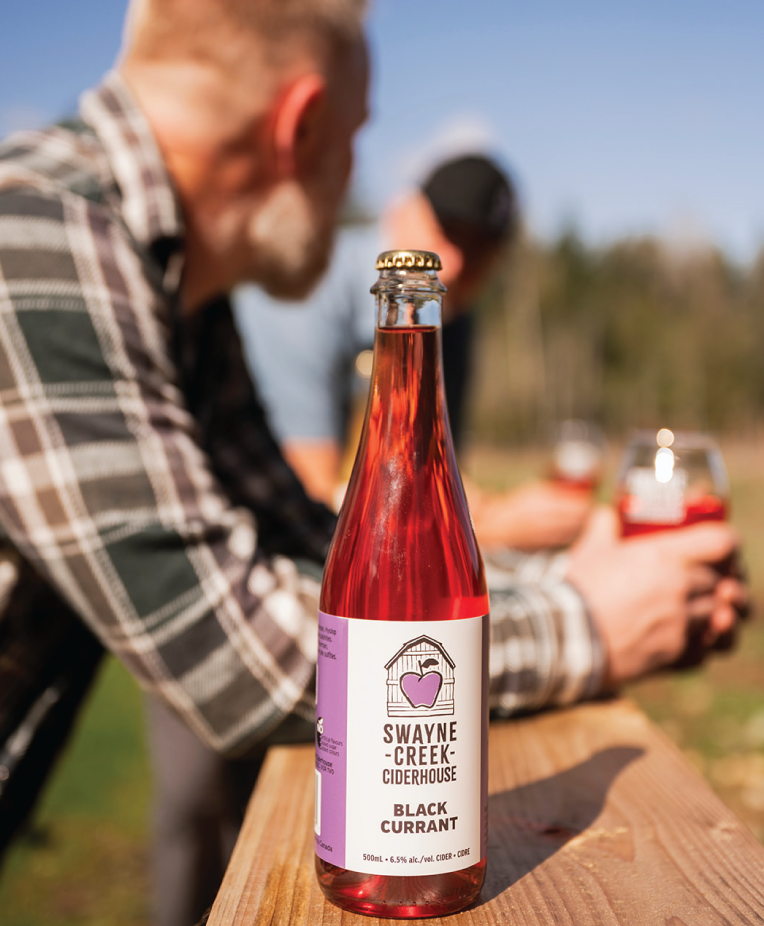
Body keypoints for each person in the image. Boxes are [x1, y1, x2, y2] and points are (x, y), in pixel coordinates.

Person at [0, 1, 746, 924]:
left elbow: (317, 545)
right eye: (357, 137)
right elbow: (235, 655)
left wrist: (564, 579)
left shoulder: (165, 277)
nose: (359, 173)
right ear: (301, 123)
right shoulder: (35, 238)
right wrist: (587, 622)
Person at [236, 154, 595, 550]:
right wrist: (492, 524)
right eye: (448, 231)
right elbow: (306, 502)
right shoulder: (306, 287)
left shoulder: (452, 321)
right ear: (400, 211)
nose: (455, 264)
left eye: (479, 250)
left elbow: (427, 478)